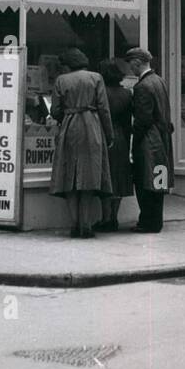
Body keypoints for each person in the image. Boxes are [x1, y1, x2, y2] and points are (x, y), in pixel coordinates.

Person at [49, 47, 113, 238]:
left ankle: (74, 224)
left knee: (68, 175)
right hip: (92, 127)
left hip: (69, 127)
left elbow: (55, 111)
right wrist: (109, 135)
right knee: (89, 175)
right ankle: (86, 225)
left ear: (68, 64)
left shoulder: (62, 80)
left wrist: (65, 114)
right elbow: (104, 108)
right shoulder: (96, 77)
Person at [126, 47, 174, 234]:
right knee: (158, 182)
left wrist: (134, 142)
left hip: (148, 141)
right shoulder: (159, 80)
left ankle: (147, 222)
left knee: (144, 181)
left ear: (137, 63)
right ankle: (156, 221)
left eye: (131, 64)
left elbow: (142, 120)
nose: (130, 69)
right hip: (162, 139)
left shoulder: (141, 87)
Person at [94, 59, 133, 232]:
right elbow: (127, 122)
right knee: (119, 178)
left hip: (104, 135)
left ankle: (105, 217)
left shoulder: (101, 93)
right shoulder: (126, 94)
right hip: (121, 137)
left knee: (105, 178)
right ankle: (114, 218)